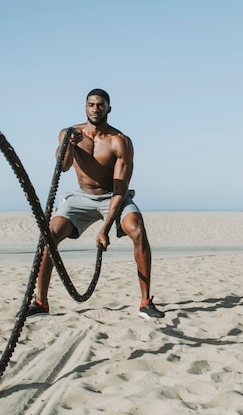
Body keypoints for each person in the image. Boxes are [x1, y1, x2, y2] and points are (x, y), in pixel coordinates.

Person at [27, 88, 165, 319]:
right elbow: (63, 166)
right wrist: (70, 145)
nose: (95, 109)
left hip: (112, 197)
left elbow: (120, 189)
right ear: (85, 107)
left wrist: (105, 229)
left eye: (100, 105)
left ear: (109, 108)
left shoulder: (119, 142)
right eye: (91, 104)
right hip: (81, 197)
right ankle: (41, 302)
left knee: (138, 230)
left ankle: (145, 302)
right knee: (49, 236)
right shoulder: (68, 133)